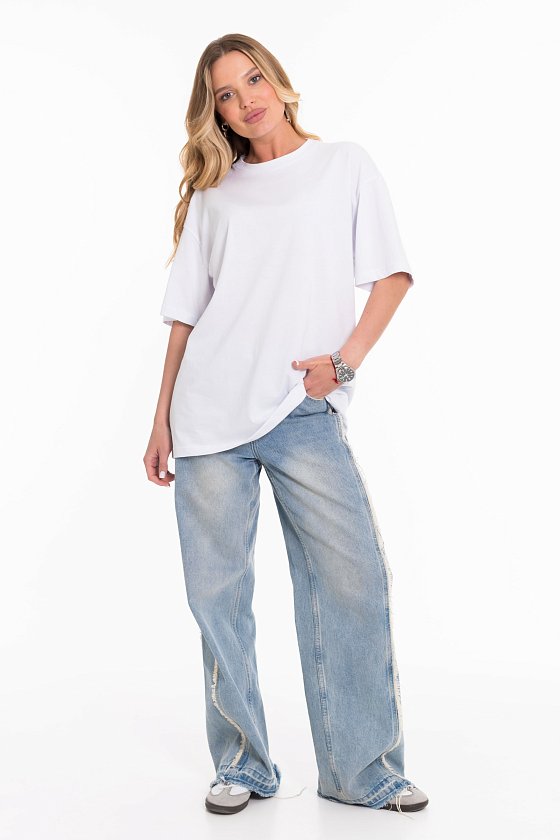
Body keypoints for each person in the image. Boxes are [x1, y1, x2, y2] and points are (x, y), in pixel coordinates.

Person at [144, 33, 429, 817]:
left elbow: (392, 275)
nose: (245, 101)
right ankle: (242, 765)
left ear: (278, 80)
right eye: (226, 95)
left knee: (354, 583)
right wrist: (161, 419)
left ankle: (363, 772)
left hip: (303, 410)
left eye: (253, 80)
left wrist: (343, 364)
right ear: (215, 114)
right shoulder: (215, 196)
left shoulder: (343, 166)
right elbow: (185, 315)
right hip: (208, 418)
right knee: (218, 598)